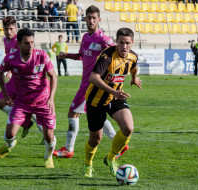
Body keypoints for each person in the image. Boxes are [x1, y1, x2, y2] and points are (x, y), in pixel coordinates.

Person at [54, 5, 128, 159]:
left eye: (94, 18)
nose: (92, 20)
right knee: (95, 114)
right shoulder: (85, 37)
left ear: (99, 19)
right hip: (85, 83)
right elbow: (82, 55)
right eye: (89, 17)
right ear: (85, 19)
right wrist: (66, 55)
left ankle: (68, 149)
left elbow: (118, 51)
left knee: (73, 113)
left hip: (92, 84)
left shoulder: (103, 38)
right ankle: (119, 144)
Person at [83, 28, 142, 178]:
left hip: (116, 97)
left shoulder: (132, 56)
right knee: (95, 139)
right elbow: (93, 78)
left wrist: (134, 79)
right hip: (96, 100)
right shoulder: (107, 56)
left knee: (128, 128)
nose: (124, 46)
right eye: (121, 42)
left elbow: (134, 67)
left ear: (132, 43)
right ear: (116, 42)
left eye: (127, 43)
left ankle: (110, 158)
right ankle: (88, 163)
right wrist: (113, 91)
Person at [0, 28, 58, 168]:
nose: (30, 46)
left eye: (32, 42)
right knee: (10, 133)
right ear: (18, 44)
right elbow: (0, 73)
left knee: (49, 136)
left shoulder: (41, 56)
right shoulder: (11, 59)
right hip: (22, 102)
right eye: (26, 43)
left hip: (43, 101)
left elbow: (53, 76)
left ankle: (48, 157)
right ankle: (10, 145)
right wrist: (6, 95)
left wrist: (51, 98)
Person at [0, 16, 43, 142]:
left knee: (29, 107)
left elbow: (28, 58)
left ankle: (41, 131)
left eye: (11, 29)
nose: (9, 32)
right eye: (6, 29)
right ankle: (24, 121)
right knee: (0, 102)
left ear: (16, 28)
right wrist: (10, 70)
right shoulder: (6, 41)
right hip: (15, 79)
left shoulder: (20, 41)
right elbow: (11, 57)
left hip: (25, 80)